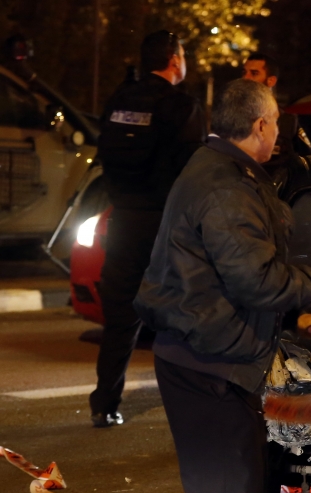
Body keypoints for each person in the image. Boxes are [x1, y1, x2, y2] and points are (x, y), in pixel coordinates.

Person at [134, 79, 311, 493]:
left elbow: (243, 269)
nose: (279, 131)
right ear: (259, 127)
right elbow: (254, 277)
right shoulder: (224, 186)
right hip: (206, 362)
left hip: (218, 356)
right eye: (274, 122)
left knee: (245, 489)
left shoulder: (224, 172)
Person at [89, 30, 206, 427]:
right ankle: (194, 406)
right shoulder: (181, 105)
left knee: (121, 317)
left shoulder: (120, 99)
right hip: (164, 225)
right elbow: (192, 172)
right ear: (175, 61)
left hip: (123, 222)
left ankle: (105, 403)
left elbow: (104, 153)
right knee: (182, 315)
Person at [240, 51, 308, 178]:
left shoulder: (287, 121)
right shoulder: (232, 117)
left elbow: (305, 159)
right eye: (244, 72)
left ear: (271, 81)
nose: (246, 78)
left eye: (254, 73)